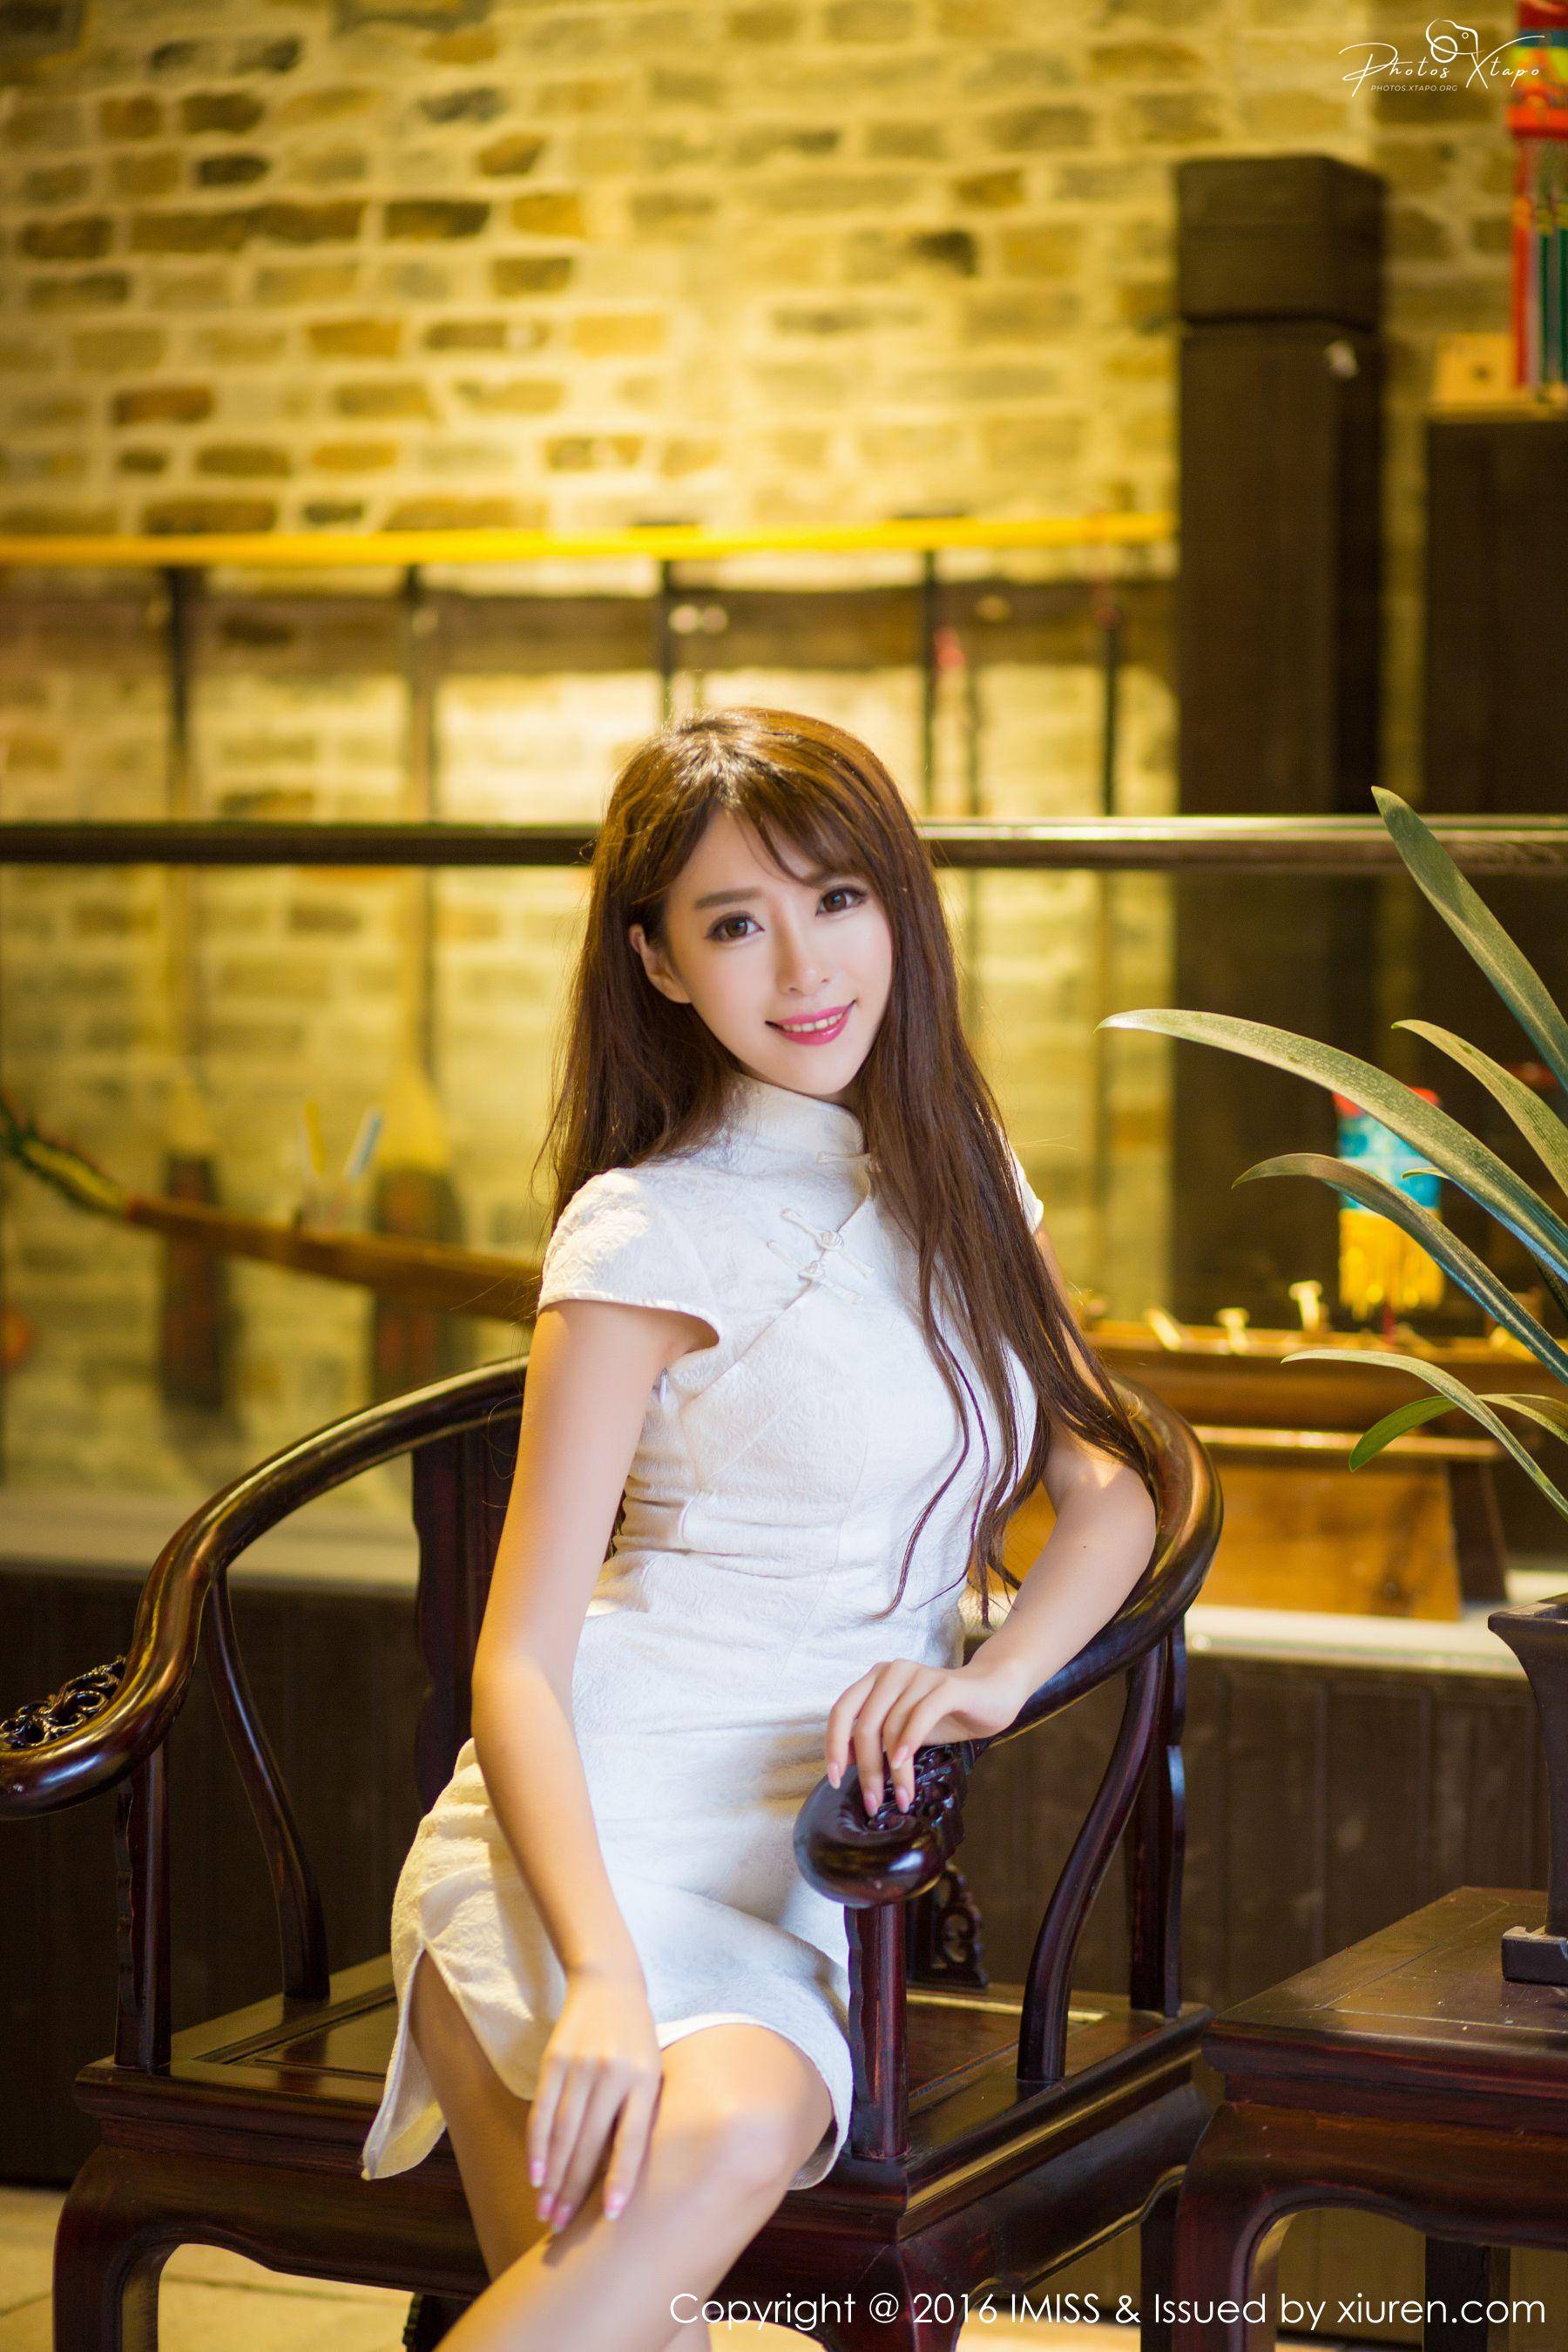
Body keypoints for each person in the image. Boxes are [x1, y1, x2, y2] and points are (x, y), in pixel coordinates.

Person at [359, 706, 1159, 2350]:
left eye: (839, 899)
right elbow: (518, 1665)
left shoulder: (968, 1175)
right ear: (658, 962)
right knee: (707, 2164)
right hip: (591, 1839)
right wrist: (599, 1972)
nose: (806, 966)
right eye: (736, 924)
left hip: (807, 1860)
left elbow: (1111, 1486)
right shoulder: (643, 1228)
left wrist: (991, 1679)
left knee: (711, 2166)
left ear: (900, 907)